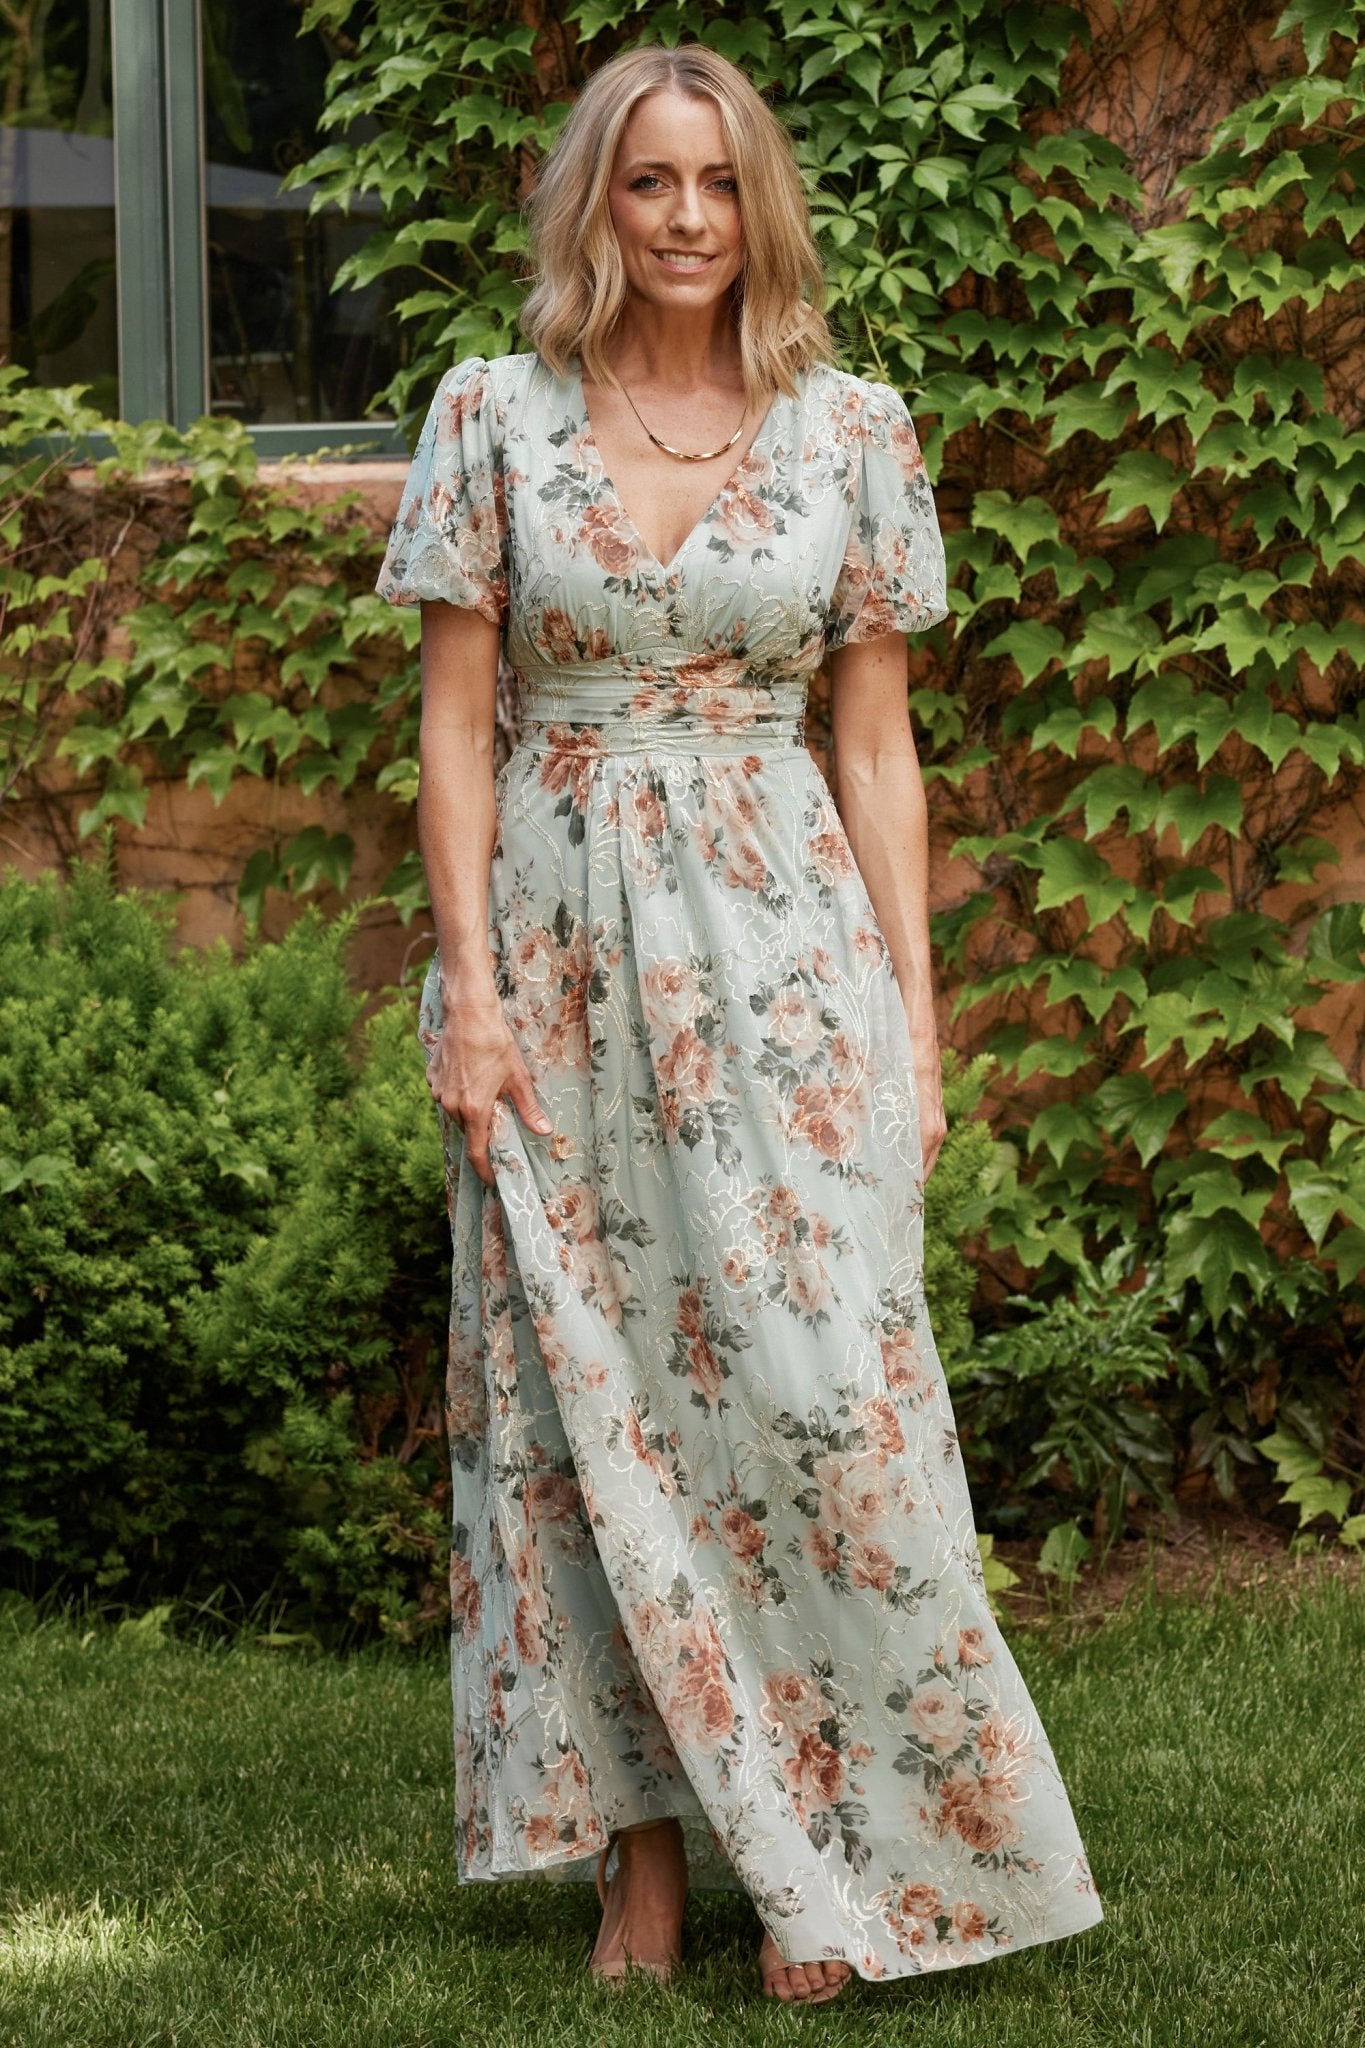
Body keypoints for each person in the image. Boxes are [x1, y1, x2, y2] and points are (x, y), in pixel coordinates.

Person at [375, 40, 1103, 2006]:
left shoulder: (848, 429)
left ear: (755, 201)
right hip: (549, 953)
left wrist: (917, 1030)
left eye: (713, 181)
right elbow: (452, 730)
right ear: (592, 207)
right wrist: (464, 1005)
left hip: (783, 954)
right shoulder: (490, 417)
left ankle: (854, 1837)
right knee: (576, 1408)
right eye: (644, 183)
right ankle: (647, 1860)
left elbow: (875, 751)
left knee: (819, 1395)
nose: (683, 216)